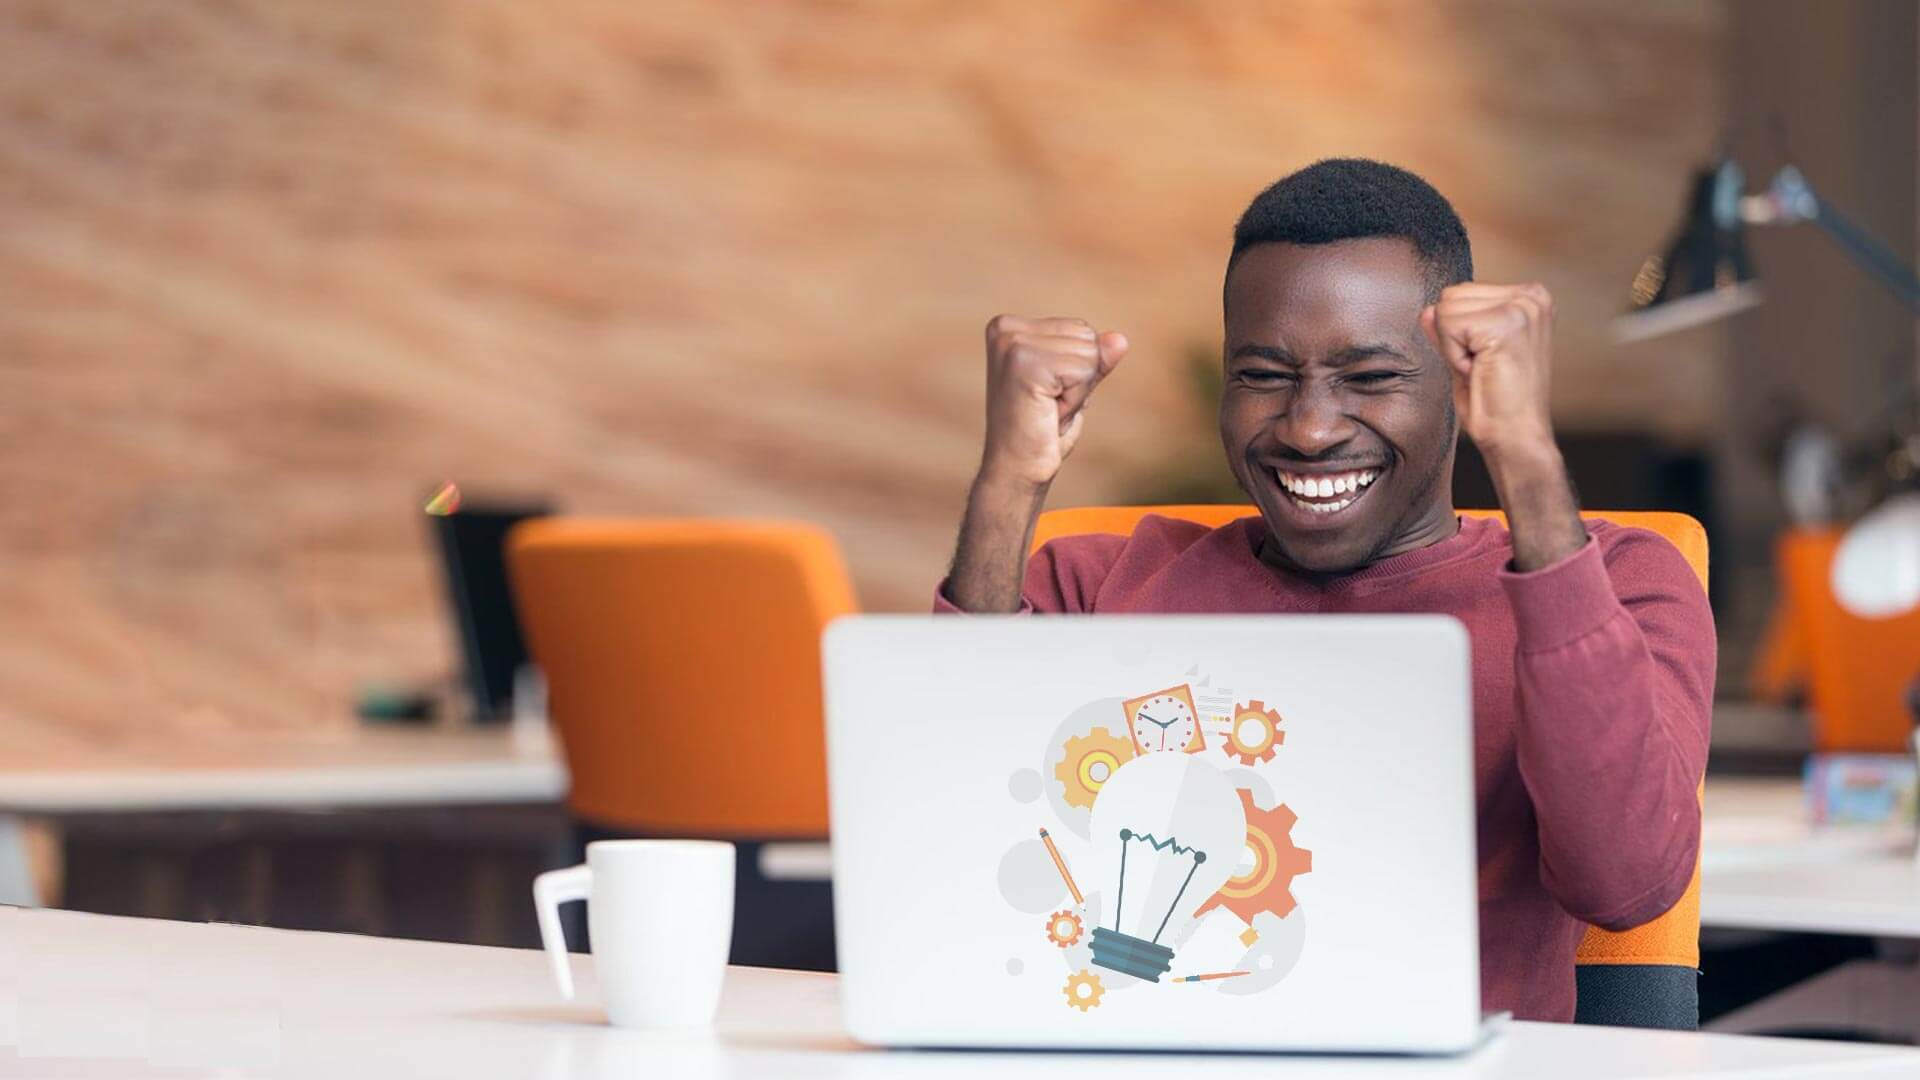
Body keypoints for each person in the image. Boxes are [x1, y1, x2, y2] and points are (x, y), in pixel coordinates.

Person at [936, 158, 1715, 1024]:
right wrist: (1010, 481)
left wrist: (1524, 451)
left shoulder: (1615, 580)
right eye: (1263, 376)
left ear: (1460, 388)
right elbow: (950, 838)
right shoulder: (1096, 582)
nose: (1308, 429)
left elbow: (1626, 879)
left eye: (1372, 378)